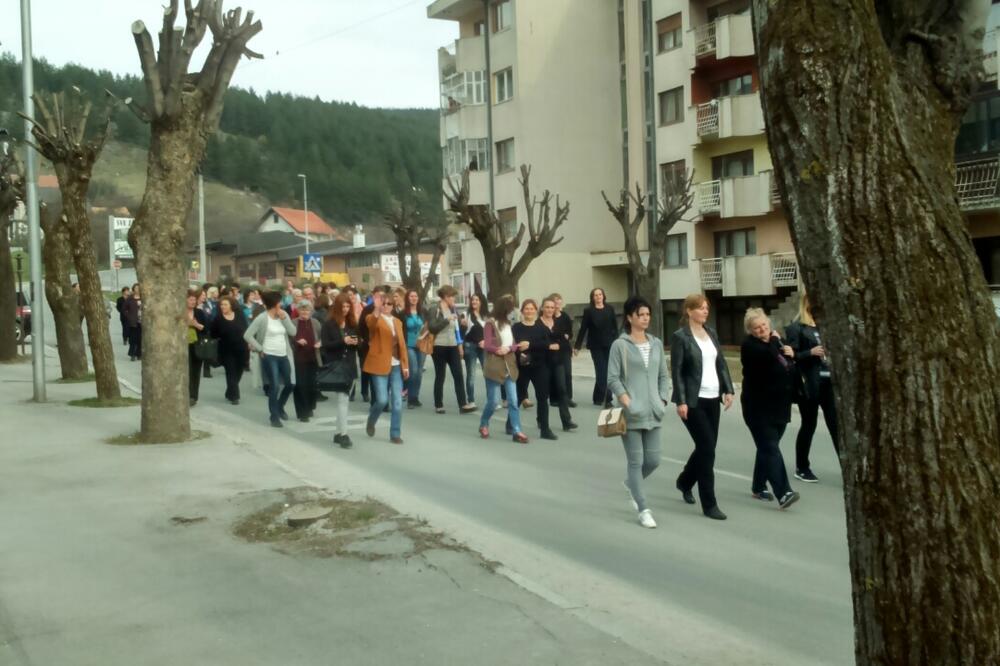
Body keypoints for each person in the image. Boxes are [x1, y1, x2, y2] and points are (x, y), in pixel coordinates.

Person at [671, 293, 735, 521]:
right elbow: (677, 370)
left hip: (712, 398)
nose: (705, 311)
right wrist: (681, 401)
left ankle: (685, 481)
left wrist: (728, 389)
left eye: (706, 307)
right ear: (689, 311)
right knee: (707, 449)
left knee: (706, 448)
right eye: (700, 308)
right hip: (693, 401)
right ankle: (709, 504)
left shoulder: (712, 333)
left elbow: (721, 363)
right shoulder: (681, 337)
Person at [607, 296, 670, 528]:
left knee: (653, 460)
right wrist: (627, 402)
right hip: (631, 413)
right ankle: (643, 509)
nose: (645, 318)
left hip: (654, 411)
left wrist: (663, 400)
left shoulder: (655, 343)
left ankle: (631, 484)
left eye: (647, 314)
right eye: (641, 315)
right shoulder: (620, 345)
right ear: (630, 317)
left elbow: (663, 375)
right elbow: (613, 378)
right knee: (636, 461)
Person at [741, 308, 800, 509]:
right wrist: (776, 342)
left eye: (764, 325)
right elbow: (768, 357)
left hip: (780, 406)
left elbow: (789, 367)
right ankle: (784, 493)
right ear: (750, 331)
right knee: (770, 447)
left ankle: (758, 486)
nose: (762, 330)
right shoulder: (750, 346)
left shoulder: (778, 341)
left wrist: (792, 355)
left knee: (767, 447)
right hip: (758, 407)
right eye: (756, 328)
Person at [363, 291, 410, 444]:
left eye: (389, 303)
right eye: (384, 303)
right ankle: (371, 420)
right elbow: (371, 324)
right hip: (379, 364)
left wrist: (405, 365)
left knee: (397, 402)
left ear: (393, 305)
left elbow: (402, 345)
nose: (386, 306)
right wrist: (376, 308)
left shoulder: (398, 322)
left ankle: (395, 434)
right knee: (382, 400)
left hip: (396, 365)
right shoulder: (373, 317)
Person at [244, 291, 297, 427]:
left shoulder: (283, 315)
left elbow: (293, 332)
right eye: (280, 302)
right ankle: (274, 416)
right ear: (274, 304)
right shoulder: (262, 318)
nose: (282, 304)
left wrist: (284, 318)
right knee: (274, 386)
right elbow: (248, 335)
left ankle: (280, 406)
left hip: (283, 354)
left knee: (290, 383)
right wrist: (259, 348)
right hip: (269, 355)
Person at [480, 294, 528, 443]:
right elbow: (487, 344)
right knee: (493, 402)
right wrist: (497, 350)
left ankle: (517, 431)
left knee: (513, 401)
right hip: (494, 366)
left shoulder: (508, 324)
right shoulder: (490, 323)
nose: (511, 312)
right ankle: (484, 423)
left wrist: (510, 348)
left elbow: (513, 344)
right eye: (509, 309)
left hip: (509, 365)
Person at [513, 299, 558, 440]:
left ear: (535, 311)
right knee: (519, 396)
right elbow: (512, 345)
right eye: (526, 309)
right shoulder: (516, 327)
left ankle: (545, 429)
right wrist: (519, 349)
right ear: (522, 311)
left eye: (532, 309)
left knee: (542, 398)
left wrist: (530, 345)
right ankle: (511, 424)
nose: (529, 311)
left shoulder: (541, 327)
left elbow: (548, 344)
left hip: (540, 367)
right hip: (523, 367)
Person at [427, 285, 476, 414]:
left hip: (453, 346)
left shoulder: (453, 309)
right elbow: (432, 328)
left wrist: (463, 324)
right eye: (452, 296)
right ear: (445, 297)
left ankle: (463, 404)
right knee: (440, 375)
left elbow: (457, 331)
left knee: (458, 375)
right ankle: (439, 404)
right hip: (439, 346)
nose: (454, 299)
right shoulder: (434, 309)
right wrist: (446, 320)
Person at [321, 292, 360, 449]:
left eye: (347, 306)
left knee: (343, 401)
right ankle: (343, 434)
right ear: (337, 307)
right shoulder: (329, 324)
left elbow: (359, 344)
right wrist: (342, 341)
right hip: (336, 365)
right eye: (342, 306)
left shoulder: (351, 323)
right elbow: (325, 345)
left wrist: (355, 342)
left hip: (350, 365)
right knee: (343, 400)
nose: (345, 309)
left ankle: (339, 433)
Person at [575, 287, 618, 407]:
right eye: (596, 295)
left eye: (600, 294)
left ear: (603, 296)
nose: (598, 297)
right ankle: (607, 399)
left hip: (609, 344)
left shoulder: (610, 309)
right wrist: (577, 346)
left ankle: (597, 397)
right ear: (592, 298)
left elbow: (615, 327)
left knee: (608, 372)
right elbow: (583, 329)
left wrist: (618, 343)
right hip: (596, 346)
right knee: (601, 372)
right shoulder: (589, 311)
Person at [539, 297, 577, 432]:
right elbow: (535, 342)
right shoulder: (538, 324)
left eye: (552, 307)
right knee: (543, 394)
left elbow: (563, 340)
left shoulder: (558, 322)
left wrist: (561, 345)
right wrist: (548, 345)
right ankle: (540, 419)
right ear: (542, 308)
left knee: (562, 389)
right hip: (542, 363)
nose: (550, 309)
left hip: (558, 361)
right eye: (547, 307)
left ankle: (566, 421)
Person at [210, 296, 248, 405]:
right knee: (231, 372)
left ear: (231, 305)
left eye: (225, 304)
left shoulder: (240, 315)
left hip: (241, 348)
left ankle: (229, 391)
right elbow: (213, 333)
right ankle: (235, 397)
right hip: (226, 350)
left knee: (239, 371)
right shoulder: (218, 318)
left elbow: (246, 329)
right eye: (221, 305)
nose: (223, 307)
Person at [290, 300, 322, 422]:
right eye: (302, 309)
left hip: (313, 358)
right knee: (300, 386)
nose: (305, 312)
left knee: (312, 386)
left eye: (307, 309)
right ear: (298, 311)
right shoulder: (293, 323)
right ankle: (302, 413)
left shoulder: (316, 323)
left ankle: (310, 407)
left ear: (311, 311)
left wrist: (320, 343)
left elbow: (321, 337)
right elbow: (288, 339)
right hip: (298, 359)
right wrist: (296, 341)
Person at [402, 289, 427, 408]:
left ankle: (415, 397)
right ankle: (410, 398)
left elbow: (428, 327)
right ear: (407, 298)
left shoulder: (422, 312)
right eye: (411, 296)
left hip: (421, 345)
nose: (414, 298)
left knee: (420, 373)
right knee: (414, 371)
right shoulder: (404, 313)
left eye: (415, 296)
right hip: (409, 345)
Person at [461, 293, 487, 406]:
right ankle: (471, 400)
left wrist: (487, 341)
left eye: (477, 299)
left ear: (481, 301)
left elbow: (491, 332)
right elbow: (462, 333)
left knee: (488, 373)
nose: (474, 302)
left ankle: (491, 400)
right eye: (473, 300)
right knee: (471, 374)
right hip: (470, 346)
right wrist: (462, 325)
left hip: (484, 347)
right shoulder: (466, 314)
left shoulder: (486, 315)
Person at [551, 294, 576, 407]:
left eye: (559, 302)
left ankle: (568, 398)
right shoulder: (548, 317)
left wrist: (568, 336)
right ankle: (554, 398)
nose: (557, 305)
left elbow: (570, 333)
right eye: (555, 303)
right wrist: (561, 335)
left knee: (567, 374)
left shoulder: (565, 316)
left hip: (565, 349)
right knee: (554, 374)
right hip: (553, 349)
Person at [186, 289, 208, 407]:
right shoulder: (180, 312)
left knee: (195, 370)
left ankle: (193, 396)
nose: (193, 302)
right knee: (187, 370)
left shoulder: (199, 313)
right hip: (183, 345)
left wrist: (196, 325)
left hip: (197, 345)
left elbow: (206, 329)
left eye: (194, 300)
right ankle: (186, 394)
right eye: (190, 299)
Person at [123, 284, 142, 361]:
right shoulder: (130, 299)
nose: (137, 289)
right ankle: (132, 354)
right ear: (133, 289)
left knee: (140, 339)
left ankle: (139, 354)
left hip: (142, 321)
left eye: (139, 288)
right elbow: (124, 309)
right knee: (133, 339)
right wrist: (129, 317)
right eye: (136, 288)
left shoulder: (144, 298)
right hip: (133, 322)